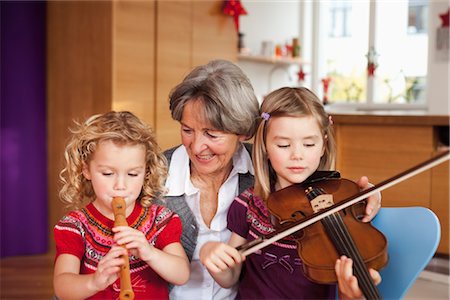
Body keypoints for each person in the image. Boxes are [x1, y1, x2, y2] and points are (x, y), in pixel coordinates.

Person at [158, 60, 382, 300]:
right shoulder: (150, 174)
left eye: (212, 134)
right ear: (266, 145)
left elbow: (312, 175)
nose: (197, 146)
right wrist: (210, 254)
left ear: (242, 131)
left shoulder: (270, 169)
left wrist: (365, 195)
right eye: (187, 130)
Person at [53, 111, 190, 299]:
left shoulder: (159, 220)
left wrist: (149, 253)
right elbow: (62, 287)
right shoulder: (76, 226)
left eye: (133, 174)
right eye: (108, 174)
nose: (120, 186)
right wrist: (94, 281)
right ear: (86, 170)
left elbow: (182, 274)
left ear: (146, 172)